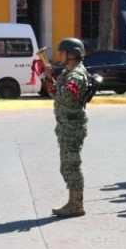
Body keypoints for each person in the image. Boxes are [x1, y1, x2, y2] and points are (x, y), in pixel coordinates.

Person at [47, 38, 92, 218]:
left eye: (61, 52)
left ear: (71, 54)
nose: (59, 55)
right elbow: (57, 94)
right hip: (67, 124)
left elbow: (67, 97)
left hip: (72, 126)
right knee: (68, 163)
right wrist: (49, 78)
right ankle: (74, 202)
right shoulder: (69, 72)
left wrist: (55, 85)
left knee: (71, 164)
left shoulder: (76, 75)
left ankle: (76, 204)